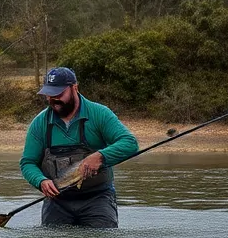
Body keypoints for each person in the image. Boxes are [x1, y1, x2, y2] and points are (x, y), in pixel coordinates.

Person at [19, 67, 139, 228]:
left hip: (98, 198)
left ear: (74, 87)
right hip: (57, 201)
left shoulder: (100, 114)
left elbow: (130, 143)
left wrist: (100, 156)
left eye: (59, 94)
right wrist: (41, 181)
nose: (54, 99)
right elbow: (28, 163)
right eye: (49, 94)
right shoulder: (39, 123)